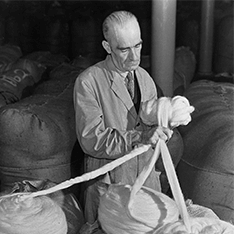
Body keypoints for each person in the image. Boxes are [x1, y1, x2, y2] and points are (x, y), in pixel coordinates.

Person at [73, 10, 183, 224]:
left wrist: (164, 122)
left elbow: (149, 126)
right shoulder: (88, 82)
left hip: (145, 181)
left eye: (138, 46)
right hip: (109, 185)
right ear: (107, 47)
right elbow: (91, 140)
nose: (134, 57)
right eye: (124, 49)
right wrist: (139, 138)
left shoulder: (144, 77)